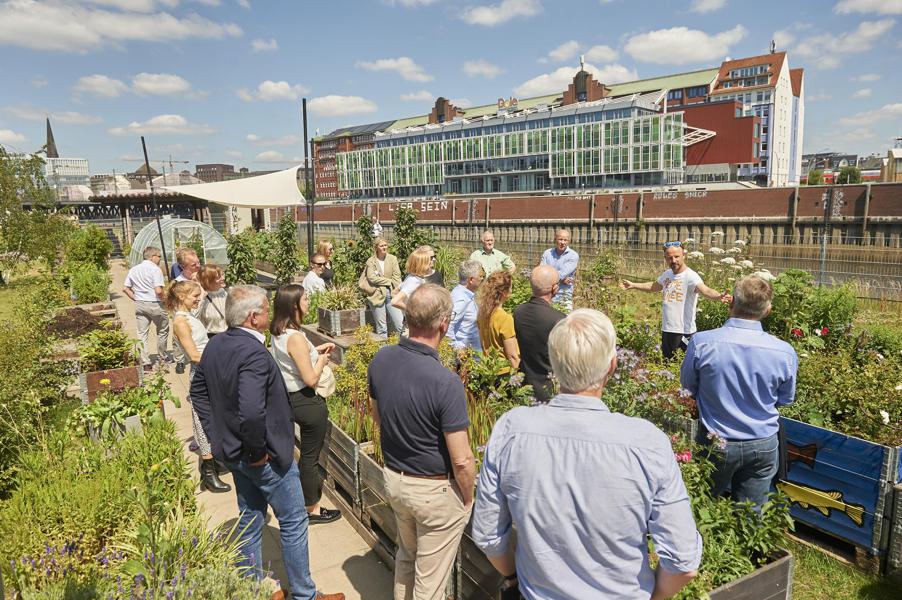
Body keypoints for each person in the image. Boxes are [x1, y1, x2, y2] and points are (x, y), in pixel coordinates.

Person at [472, 309, 702, 599]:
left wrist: (513, 575)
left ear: (553, 365)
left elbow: (488, 536)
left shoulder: (512, 430)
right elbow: (683, 564)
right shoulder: (646, 443)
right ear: (612, 365)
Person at [190, 285, 344, 600]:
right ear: (253, 317)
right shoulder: (253, 353)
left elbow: (198, 393)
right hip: (263, 458)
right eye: (264, 309)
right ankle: (304, 594)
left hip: (234, 454)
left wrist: (218, 435)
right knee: (293, 520)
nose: (268, 314)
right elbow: (250, 411)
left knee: (250, 515)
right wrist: (258, 452)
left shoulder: (216, 344)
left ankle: (252, 588)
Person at [368, 284, 476, 600]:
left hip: (396, 481)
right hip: (433, 492)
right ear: (444, 324)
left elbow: (378, 417)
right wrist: (466, 498)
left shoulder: (381, 359)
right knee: (430, 585)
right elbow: (462, 459)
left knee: (407, 557)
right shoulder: (445, 382)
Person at [680, 275, 798, 510]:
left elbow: (688, 389)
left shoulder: (702, 343)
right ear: (768, 310)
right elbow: (785, 398)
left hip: (717, 442)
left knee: (703, 505)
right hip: (763, 443)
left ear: (731, 302)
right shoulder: (784, 352)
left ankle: (706, 545)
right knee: (750, 513)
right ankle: (745, 546)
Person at [270, 284, 342, 524]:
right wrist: (321, 360)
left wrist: (315, 351)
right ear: (294, 306)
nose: (309, 302)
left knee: (303, 455)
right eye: (305, 299)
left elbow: (293, 362)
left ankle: (302, 498)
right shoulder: (296, 338)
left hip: (290, 398)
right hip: (307, 401)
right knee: (310, 458)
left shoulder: (278, 331)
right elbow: (310, 379)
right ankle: (311, 508)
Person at [164, 280, 231, 494]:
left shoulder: (190, 316)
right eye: (194, 296)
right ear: (182, 297)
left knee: (213, 417)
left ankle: (214, 461)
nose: (198, 299)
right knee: (201, 421)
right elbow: (193, 355)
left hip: (209, 371)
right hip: (201, 375)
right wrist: (221, 359)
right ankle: (208, 473)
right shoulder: (181, 322)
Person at [620, 242, 730, 359]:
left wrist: (718, 296)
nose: (673, 260)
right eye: (669, 258)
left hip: (683, 331)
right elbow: (654, 286)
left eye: (676, 257)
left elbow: (705, 290)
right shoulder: (667, 274)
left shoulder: (691, 276)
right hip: (667, 329)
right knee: (667, 363)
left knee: (681, 364)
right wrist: (633, 285)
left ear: (684, 255)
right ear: (665, 258)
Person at [513, 265, 565, 403]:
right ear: (555, 288)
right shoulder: (559, 319)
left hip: (525, 387)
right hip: (550, 391)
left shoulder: (518, 312)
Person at [122, 246, 170, 370]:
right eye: (159, 256)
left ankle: (145, 362)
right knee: (162, 331)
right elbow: (158, 291)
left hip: (140, 304)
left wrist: (136, 298)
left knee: (142, 333)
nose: (160, 259)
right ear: (152, 256)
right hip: (155, 304)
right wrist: (167, 299)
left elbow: (125, 288)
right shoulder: (155, 270)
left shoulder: (134, 269)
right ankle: (162, 358)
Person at [476, 270, 520, 371]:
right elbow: (513, 356)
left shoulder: (482, 313)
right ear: (504, 292)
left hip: (488, 369)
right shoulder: (505, 318)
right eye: (510, 287)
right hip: (503, 372)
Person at [362, 237, 403, 337]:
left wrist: (396, 290)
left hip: (391, 294)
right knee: (382, 328)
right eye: (381, 246)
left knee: (399, 325)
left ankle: (399, 348)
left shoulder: (393, 259)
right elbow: (372, 278)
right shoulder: (371, 261)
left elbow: (397, 276)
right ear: (376, 248)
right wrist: (389, 281)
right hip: (377, 295)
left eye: (385, 245)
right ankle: (383, 350)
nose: (384, 247)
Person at [447, 260, 483, 352]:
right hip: (465, 358)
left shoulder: (466, 294)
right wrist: (458, 349)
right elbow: (448, 326)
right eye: (480, 276)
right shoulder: (461, 299)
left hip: (472, 353)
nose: (482, 279)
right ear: (471, 279)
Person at [539, 229, 579, 311]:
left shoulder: (573, 256)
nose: (563, 242)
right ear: (555, 239)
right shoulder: (547, 253)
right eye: (560, 239)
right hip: (547, 294)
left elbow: (563, 273)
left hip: (564, 294)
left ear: (569, 241)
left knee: (565, 320)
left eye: (565, 240)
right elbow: (541, 272)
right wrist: (561, 280)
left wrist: (549, 276)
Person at [390, 246, 432, 312]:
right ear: (421, 265)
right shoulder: (414, 281)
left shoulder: (412, 277)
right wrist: (413, 310)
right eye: (427, 262)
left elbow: (394, 292)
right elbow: (394, 302)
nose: (430, 263)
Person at [198, 264, 227, 339]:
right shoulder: (201, 298)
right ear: (208, 281)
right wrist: (201, 298)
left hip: (228, 335)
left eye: (222, 275)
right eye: (218, 277)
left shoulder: (225, 293)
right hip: (211, 338)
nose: (223, 278)